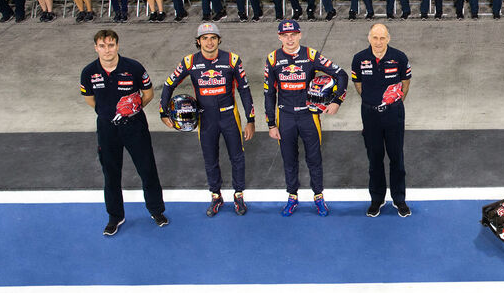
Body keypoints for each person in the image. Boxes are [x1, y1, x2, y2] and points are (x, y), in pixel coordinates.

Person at [160, 23, 256, 217]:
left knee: (237, 157)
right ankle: (215, 196)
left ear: (219, 40)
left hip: (230, 116)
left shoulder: (232, 59)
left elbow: (244, 90)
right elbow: (168, 84)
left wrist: (250, 119)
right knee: (210, 159)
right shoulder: (189, 61)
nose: (209, 42)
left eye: (213, 37)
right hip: (205, 118)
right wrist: (164, 112)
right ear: (198, 41)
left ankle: (238, 195)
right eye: (205, 38)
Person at [80, 29, 167, 236]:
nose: (107, 49)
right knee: (110, 174)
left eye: (111, 45)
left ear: (117, 46)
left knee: (147, 170)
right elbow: (90, 99)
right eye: (102, 46)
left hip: (135, 127)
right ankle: (115, 216)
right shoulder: (89, 72)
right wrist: (109, 114)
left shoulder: (133, 67)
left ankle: (156, 211)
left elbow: (148, 93)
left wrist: (132, 111)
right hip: (107, 129)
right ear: (96, 48)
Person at [264, 18, 349, 217]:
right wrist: (270, 123)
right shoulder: (272, 59)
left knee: (314, 158)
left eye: (293, 34)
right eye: (285, 35)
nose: (290, 39)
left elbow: (341, 74)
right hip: (284, 116)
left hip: (309, 115)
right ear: (279, 37)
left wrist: (337, 101)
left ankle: (318, 197)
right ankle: (292, 197)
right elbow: (269, 93)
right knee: (289, 159)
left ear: (300, 34)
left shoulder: (311, 55)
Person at [352, 23, 412, 217]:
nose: (378, 42)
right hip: (370, 115)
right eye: (375, 38)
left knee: (397, 157)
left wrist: (391, 104)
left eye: (382, 38)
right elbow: (358, 85)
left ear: (389, 38)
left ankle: (399, 199)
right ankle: (377, 199)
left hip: (393, 114)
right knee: (374, 159)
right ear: (369, 38)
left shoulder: (400, 57)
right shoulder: (359, 59)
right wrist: (373, 102)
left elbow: (405, 83)